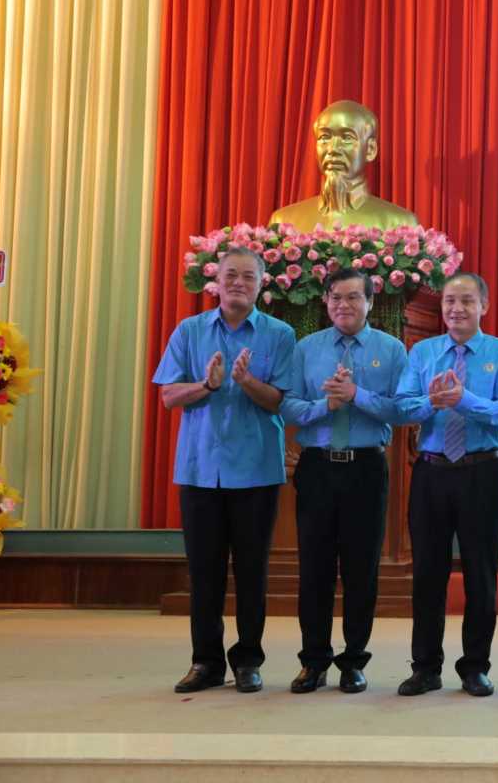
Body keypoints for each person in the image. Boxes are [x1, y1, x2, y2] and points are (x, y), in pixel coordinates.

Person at [153, 247, 295, 694]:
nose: (238, 283)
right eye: (230, 275)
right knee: (205, 572)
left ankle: (248, 660)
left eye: (247, 277)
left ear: (261, 283)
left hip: (255, 469)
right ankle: (206, 662)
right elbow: (168, 397)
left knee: (252, 571)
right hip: (200, 470)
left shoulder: (279, 334)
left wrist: (248, 382)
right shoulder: (190, 330)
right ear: (215, 280)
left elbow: (283, 403)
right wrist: (207, 385)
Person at [279, 267, 410, 695]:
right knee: (314, 569)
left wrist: (358, 396)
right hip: (317, 468)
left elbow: (401, 411)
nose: (343, 305)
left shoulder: (391, 350)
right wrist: (326, 404)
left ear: (371, 302)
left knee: (361, 569)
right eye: (336, 297)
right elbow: (289, 409)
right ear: (326, 301)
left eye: (354, 297)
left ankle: (354, 660)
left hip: (366, 469)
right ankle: (313, 660)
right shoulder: (306, 349)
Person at [393, 272, 498, 697]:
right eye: (449, 301)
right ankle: (425, 667)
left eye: (466, 301)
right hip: (431, 472)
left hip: (481, 472)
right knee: (427, 574)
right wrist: (431, 401)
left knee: (480, 575)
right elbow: (401, 406)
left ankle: (475, 667)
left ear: (483, 305)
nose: (456, 309)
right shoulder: (424, 352)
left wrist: (463, 399)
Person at [269, 99, 419, 232]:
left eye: (347, 138)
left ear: (371, 150)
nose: (333, 149)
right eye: (324, 137)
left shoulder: (400, 224)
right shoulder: (284, 222)